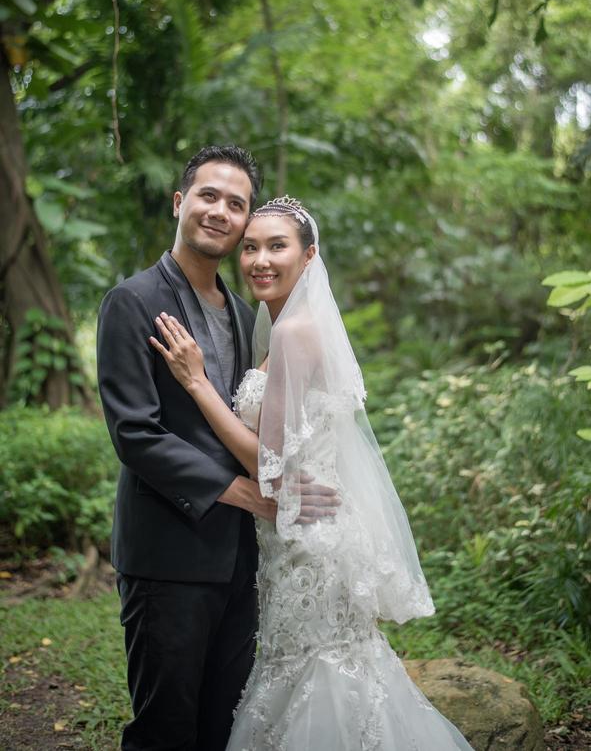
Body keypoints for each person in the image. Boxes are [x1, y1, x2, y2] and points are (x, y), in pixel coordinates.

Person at [150, 195, 475, 750]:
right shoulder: (286, 325)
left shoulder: (294, 333)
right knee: (326, 669)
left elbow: (269, 466)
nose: (259, 260)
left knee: (319, 673)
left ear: (309, 256)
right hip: (301, 530)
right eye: (250, 247)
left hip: (309, 542)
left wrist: (197, 383)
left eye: (278, 246)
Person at [97, 148, 337, 751]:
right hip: (168, 557)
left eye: (236, 204)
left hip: (241, 563)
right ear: (181, 203)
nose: (220, 212)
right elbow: (136, 434)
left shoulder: (242, 310)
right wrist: (249, 496)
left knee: (224, 727)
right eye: (208, 196)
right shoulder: (132, 301)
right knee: (166, 729)